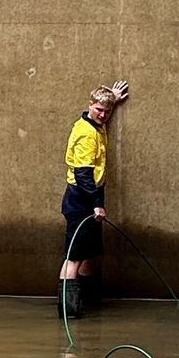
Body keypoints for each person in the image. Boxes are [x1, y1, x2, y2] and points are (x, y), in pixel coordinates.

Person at [60, 80, 129, 318]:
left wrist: (112, 98)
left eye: (106, 111)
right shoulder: (86, 133)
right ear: (89, 105)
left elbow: (104, 114)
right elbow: (83, 174)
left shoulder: (97, 126)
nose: (103, 114)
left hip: (91, 196)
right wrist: (97, 204)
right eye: (99, 109)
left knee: (94, 254)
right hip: (80, 200)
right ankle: (69, 313)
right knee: (74, 256)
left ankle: (90, 302)